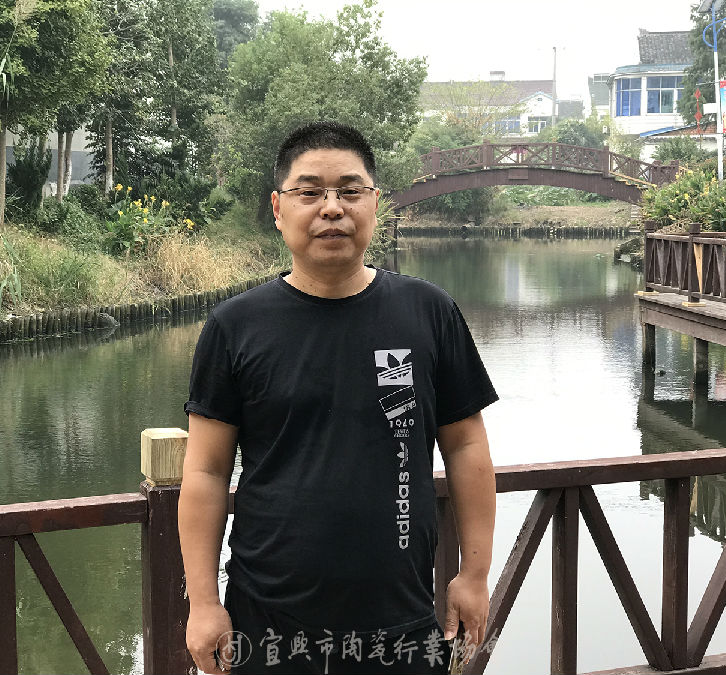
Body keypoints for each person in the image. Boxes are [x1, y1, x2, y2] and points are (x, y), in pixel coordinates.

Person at [180, 121, 498, 675]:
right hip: (268, 621)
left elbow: (466, 445)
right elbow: (206, 471)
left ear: (375, 202)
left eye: (350, 191)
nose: (332, 208)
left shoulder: (428, 312)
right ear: (278, 208)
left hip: (400, 616)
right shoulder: (236, 326)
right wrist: (204, 603)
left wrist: (474, 574)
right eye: (310, 193)